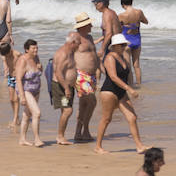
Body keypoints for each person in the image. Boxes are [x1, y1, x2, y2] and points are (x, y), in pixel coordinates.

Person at [95, 33, 146, 154]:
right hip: (109, 91)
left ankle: (139, 146)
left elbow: (126, 75)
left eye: (124, 45)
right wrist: (129, 88)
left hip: (121, 92)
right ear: (114, 46)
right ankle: (98, 146)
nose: (124, 47)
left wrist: (129, 87)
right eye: (121, 45)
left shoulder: (122, 57)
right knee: (106, 119)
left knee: (132, 117)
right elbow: (113, 76)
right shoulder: (110, 58)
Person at [73, 12, 99, 143]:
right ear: (83, 26)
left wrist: (100, 69)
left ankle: (79, 132)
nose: (92, 26)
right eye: (89, 24)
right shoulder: (74, 39)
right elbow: (65, 55)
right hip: (80, 75)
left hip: (92, 76)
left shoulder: (89, 37)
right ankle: (86, 130)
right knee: (92, 101)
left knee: (84, 105)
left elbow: (94, 55)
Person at [52, 32, 81, 145]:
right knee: (67, 110)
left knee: (66, 110)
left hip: (68, 86)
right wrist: (66, 89)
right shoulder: (63, 54)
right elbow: (58, 73)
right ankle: (60, 136)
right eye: (78, 43)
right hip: (61, 87)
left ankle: (61, 135)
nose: (79, 46)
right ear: (73, 42)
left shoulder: (71, 52)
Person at [16, 39, 44, 146]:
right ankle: (37, 139)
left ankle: (22, 139)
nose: (36, 50)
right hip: (25, 90)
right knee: (36, 113)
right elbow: (18, 78)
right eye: (33, 48)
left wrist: (41, 68)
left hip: (35, 90)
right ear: (27, 50)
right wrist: (22, 96)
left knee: (27, 115)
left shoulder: (36, 58)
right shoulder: (22, 60)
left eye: (36, 47)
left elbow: (39, 72)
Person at [119, 0, 148, 85]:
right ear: (131, 2)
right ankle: (139, 85)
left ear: (123, 4)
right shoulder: (139, 12)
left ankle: (131, 86)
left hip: (126, 41)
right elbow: (146, 22)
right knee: (136, 65)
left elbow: (117, 28)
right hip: (137, 40)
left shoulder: (121, 15)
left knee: (128, 66)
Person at [0, 41, 22, 129]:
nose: (6, 56)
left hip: (18, 79)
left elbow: (26, 61)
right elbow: (7, 65)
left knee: (16, 99)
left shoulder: (17, 54)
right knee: (11, 99)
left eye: (8, 54)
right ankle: (17, 117)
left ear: (10, 50)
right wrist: (5, 72)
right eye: (5, 55)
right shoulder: (4, 55)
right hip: (10, 77)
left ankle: (15, 120)